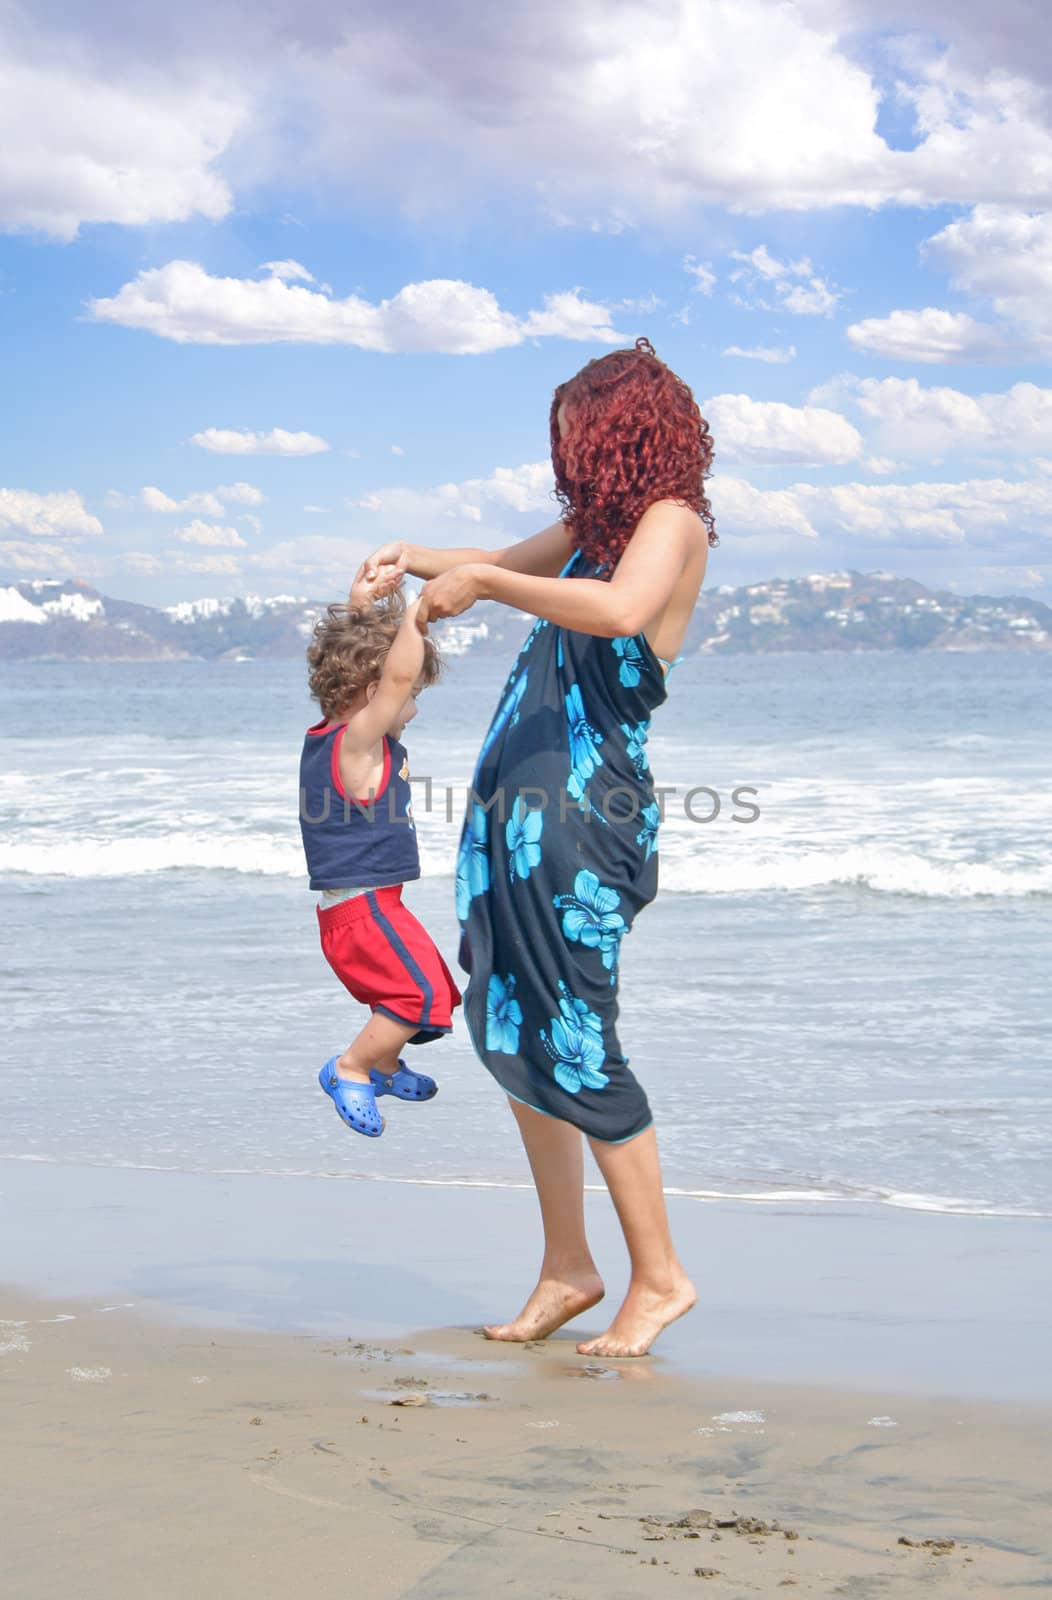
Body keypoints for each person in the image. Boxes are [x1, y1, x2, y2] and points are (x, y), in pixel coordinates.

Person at [362, 337, 717, 1354]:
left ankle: (658, 1277)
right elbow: (482, 565)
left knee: (574, 1035)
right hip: (515, 824)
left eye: (574, 431)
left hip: (581, 818)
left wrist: (480, 583)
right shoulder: (587, 528)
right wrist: (407, 555)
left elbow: (617, 610)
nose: (562, 451)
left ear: (620, 429)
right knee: (513, 1032)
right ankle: (568, 1265)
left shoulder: (668, 523)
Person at [300, 562, 462, 1139]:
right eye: (410, 697)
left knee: (437, 992)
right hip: (362, 910)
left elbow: (363, 661)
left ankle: (388, 1063)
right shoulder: (358, 743)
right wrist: (417, 614)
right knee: (414, 994)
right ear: (375, 697)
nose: (411, 707)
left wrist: (360, 605)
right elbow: (390, 678)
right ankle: (352, 1067)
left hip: (369, 906)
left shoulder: (340, 733)